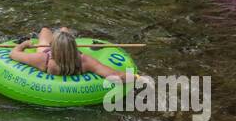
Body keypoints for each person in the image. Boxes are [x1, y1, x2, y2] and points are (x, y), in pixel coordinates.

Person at [9, 27, 142, 84]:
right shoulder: (84, 61)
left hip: (49, 57)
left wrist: (24, 45)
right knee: (64, 30)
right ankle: (64, 36)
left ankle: (58, 37)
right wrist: (137, 78)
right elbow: (115, 75)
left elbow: (13, 54)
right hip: (71, 57)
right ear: (75, 47)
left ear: (53, 48)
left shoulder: (43, 59)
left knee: (44, 31)